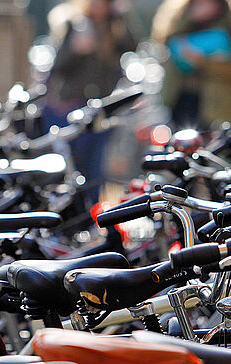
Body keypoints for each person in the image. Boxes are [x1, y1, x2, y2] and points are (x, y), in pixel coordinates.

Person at [45, 0, 137, 209]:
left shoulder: (114, 27)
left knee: (96, 167)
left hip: (102, 109)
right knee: (73, 167)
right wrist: (76, 49)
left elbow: (133, 46)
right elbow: (58, 66)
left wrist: (121, 16)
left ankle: (94, 213)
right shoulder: (75, 24)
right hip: (71, 108)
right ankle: (76, 213)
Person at [152, 0, 231, 129]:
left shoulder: (230, 28)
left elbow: (228, 70)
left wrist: (202, 61)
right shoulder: (179, 26)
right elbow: (166, 46)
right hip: (181, 97)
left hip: (213, 103)